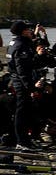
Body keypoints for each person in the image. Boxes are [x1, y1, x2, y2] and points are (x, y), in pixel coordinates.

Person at [6, 20, 39, 149]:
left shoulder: (15, 42)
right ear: (22, 31)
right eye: (27, 29)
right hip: (21, 83)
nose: (30, 31)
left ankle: (25, 138)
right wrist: (31, 88)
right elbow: (22, 70)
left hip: (18, 81)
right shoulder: (20, 45)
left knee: (26, 111)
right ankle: (22, 141)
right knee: (22, 112)